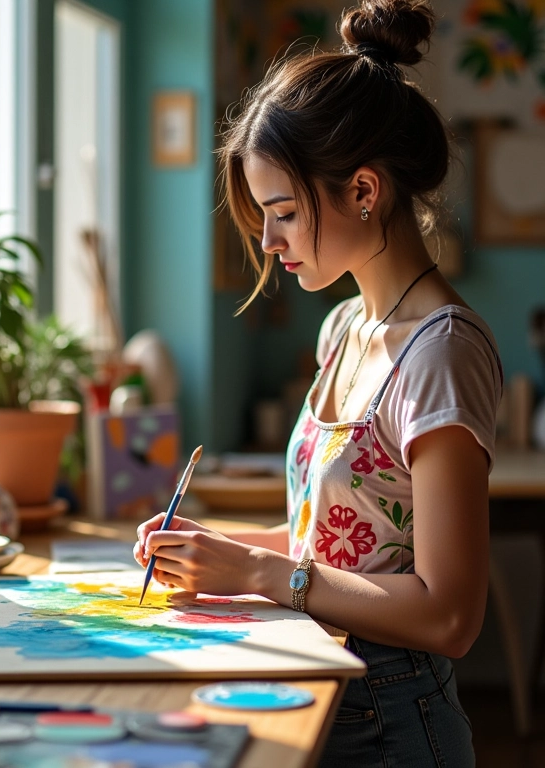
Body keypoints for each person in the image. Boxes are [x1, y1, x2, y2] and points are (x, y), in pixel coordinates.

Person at [134, 0, 503, 765]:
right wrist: (214, 551)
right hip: (328, 693)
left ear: (364, 192)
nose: (269, 244)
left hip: (394, 720)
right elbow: (336, 546)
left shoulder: (441, 353)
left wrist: (256, 570)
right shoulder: (343, 329)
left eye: (283, 213)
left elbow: (450, 615)